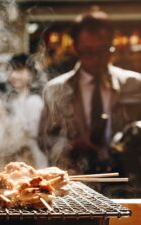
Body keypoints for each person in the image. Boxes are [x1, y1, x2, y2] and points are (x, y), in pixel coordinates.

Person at [38, 10, 141, 176]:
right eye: (88, 51)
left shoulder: (135, 84)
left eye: (103, 51)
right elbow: (44, 140)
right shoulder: (56, 89)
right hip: (78, 177)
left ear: (112, 46)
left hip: (127, 175)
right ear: (75, 49)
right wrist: (73, 145)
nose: (96, 58)